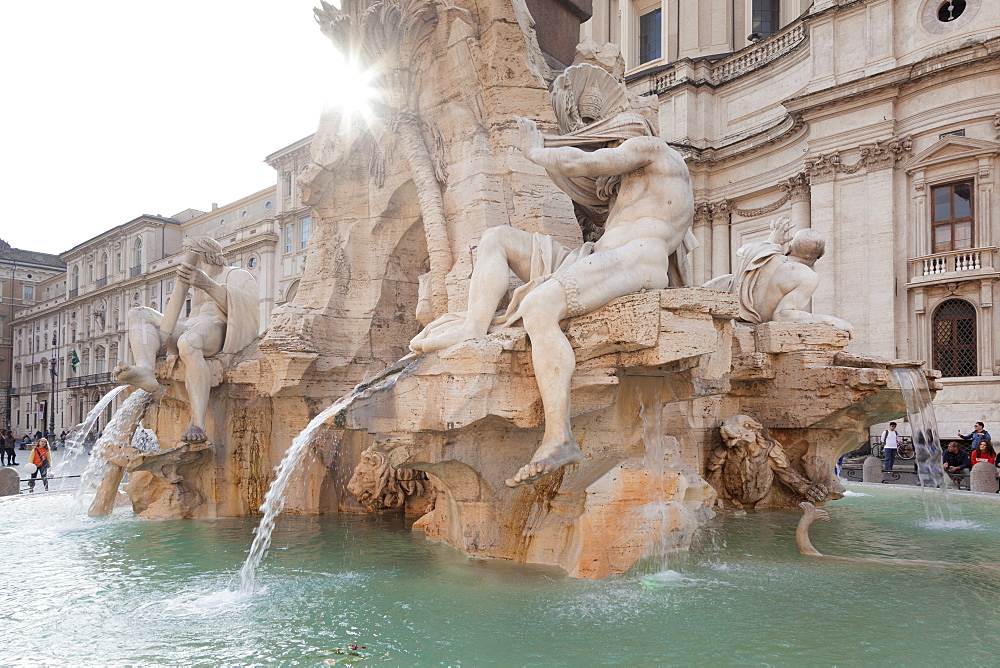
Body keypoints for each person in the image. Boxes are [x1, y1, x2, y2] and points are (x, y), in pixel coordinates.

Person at [409, 99, 695, 487]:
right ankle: (473, 329)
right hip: (596, 258)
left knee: (539, 305)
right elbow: (594, 174)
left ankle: (558, 437)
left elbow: (585, 164)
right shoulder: (633, 186)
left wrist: (536, 151)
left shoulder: (655, 150)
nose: (610, 154)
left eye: (609, 144)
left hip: (637, 259)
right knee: (498, 239)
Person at [114, 235, 259, 442]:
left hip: (219, 328)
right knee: (138, 313)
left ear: (203, 255)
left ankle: (197, 423)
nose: (186, 259)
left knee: (188, 342)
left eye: (190, 254)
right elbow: (185, 316)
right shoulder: (192, 282)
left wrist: (207, 284)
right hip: (193, 325)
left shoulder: (236, 274)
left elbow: (248, 307)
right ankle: (145, 369)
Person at [704, 217, 853, 334]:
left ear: (789, 247)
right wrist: (826, 319)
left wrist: (772, 241)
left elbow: (742, 251)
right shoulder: (808, 276)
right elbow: (782, 315)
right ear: (821, 255)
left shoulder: (762, 253)